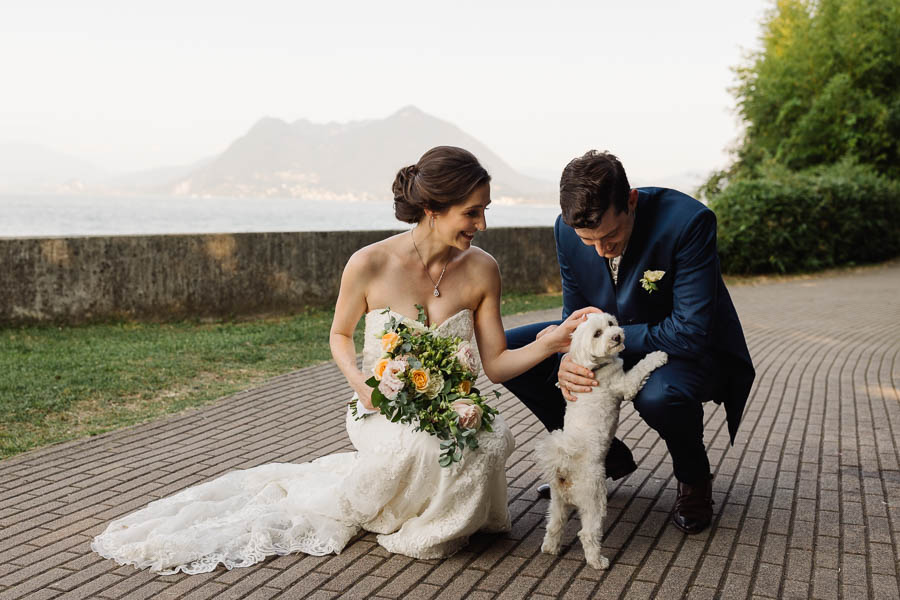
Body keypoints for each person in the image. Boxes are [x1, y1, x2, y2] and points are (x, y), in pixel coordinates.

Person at [91, 146, 594, 574]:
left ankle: (437, 515)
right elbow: (339, 334)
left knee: (488, 438)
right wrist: (359, 381)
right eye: (471, 211)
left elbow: (497, 365)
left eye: (485, 209)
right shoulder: (369, 263)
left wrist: (550, 342)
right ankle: (404, 513)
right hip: (381, 403)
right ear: (433, 209)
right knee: (416, 450)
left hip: (452, 402)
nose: (482, 224)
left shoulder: (483, 269)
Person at [503, 150, 755, 534]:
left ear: (631, 201)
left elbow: (689, 330)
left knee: (657, 394)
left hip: (688, 351)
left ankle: (694, 478)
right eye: (589, 241)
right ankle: (604, 459)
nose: (601, 250)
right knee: (518, 352)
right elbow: (577, 315)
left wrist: (607, 343)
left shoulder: (688, 222)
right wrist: (569, 358)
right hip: (613, 341)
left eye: (610, 236)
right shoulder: (565, 230)